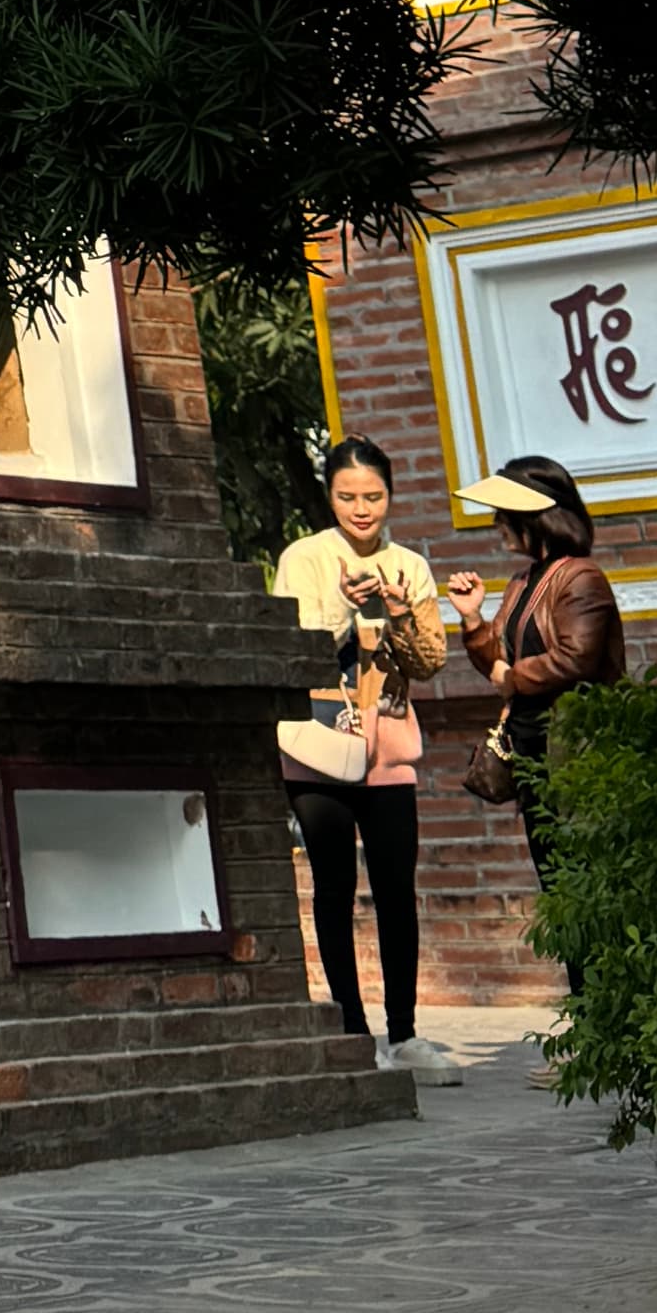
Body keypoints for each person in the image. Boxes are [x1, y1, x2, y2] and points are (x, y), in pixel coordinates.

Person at [269, 437, 454, 1079]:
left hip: (390, 742)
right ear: (329, 497)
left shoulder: (410, 564)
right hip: (319, 743)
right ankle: (352, 1027)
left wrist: (400, 611)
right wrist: (346, 607)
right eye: (347, 497)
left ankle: (404, 1033)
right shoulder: (304, 558)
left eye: (373, 496)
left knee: (396, 888)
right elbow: (294, 649)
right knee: (334, 887)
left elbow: (430, 663)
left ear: (391, 495)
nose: (361, 509)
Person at [444, 457, 627, 959]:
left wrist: (511, 677)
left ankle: (607, 1020)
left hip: (576, 759)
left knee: (588, 893)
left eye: (505, 514)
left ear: (537, 518)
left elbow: (576, 658)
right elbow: (499, 662)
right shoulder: (523, 583)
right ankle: (588, 1016)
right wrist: (474, 621)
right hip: (534, 761)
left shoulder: (580, 578)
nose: (497, 525)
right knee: (560, 894)